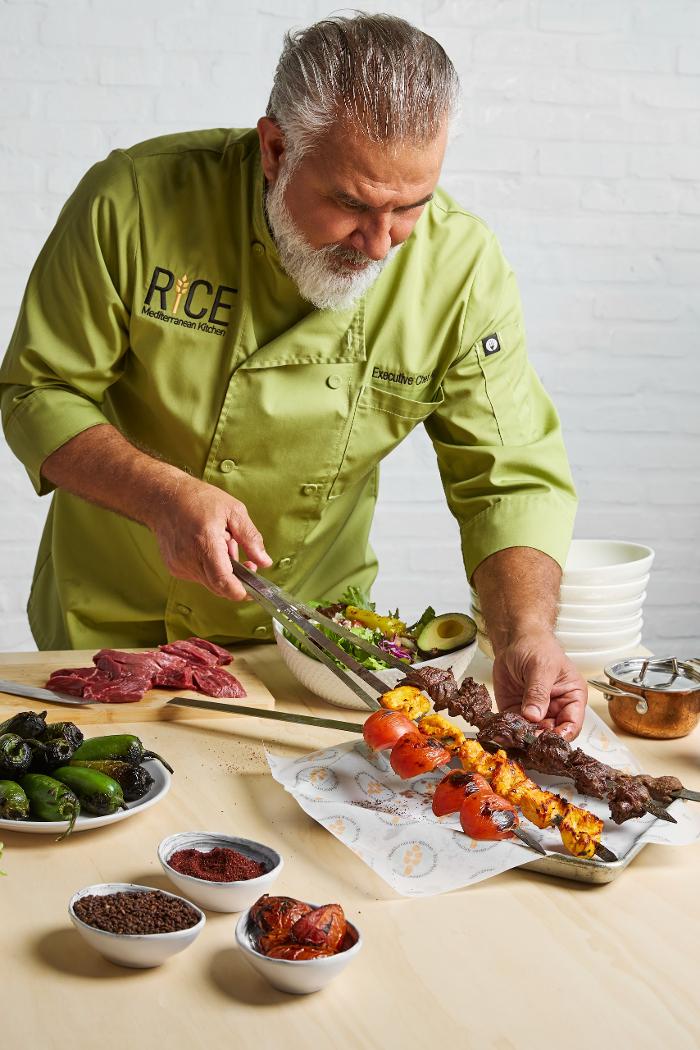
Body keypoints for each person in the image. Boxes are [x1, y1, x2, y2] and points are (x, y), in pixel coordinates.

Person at [0, 14, 587, 738]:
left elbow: (509, 476)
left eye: (410, 207)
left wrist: (526, 630)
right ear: (275, 149)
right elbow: (38, 390)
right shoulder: (133, 202)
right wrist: (161, 496)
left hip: (317, 651)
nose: (380, 244)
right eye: (352, 204)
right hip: (107, 628)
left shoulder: (461, 269)